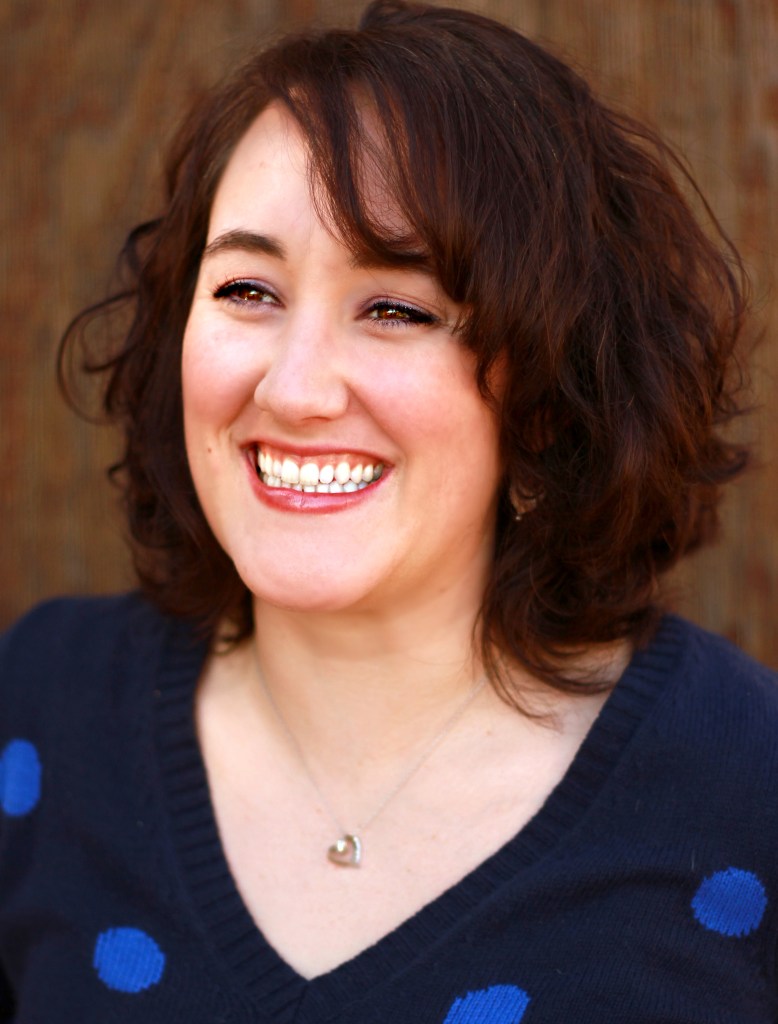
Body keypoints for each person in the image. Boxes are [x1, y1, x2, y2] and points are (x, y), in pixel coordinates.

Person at [1, 1, 776, 1020]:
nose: (294, 387)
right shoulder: (42, 707)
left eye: (397, 309)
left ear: (550, 397)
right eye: (247, 290)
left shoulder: (745, 785)